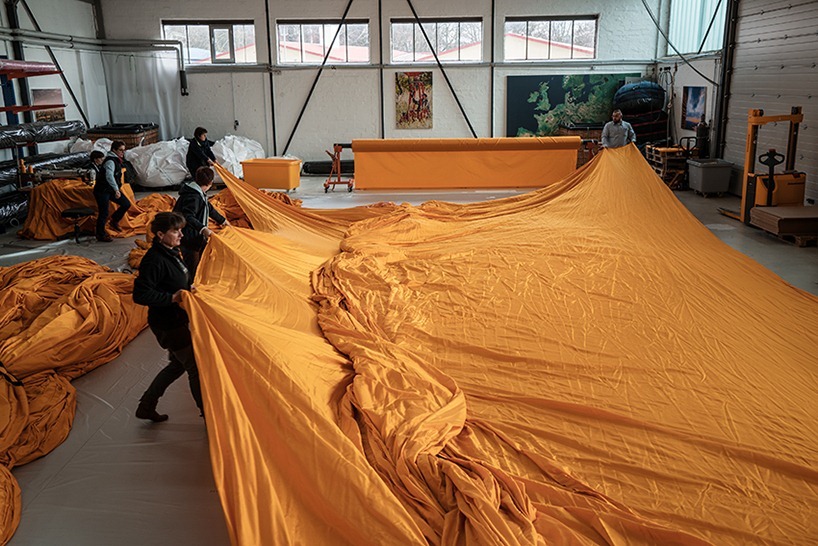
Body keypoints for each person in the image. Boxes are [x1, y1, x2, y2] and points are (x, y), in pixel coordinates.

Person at [133, 211, 202, 422]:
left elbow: (176, 280)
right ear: (161, 234)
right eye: (175, 231)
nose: (181, 235)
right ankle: (208, 414)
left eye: (180, 230)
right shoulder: (154, 260)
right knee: (194, 367)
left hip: (176, 319)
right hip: (168, 324)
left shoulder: (172, 252)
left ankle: (146, 406)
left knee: (177, 365)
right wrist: (172, 298)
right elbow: (140, 294)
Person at [173, 166, 229, 278]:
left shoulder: (197, 192)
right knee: (192, 265)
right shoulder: (193, 196)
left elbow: (208, 207)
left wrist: (222, 221)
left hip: (195, 235)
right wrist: (203, 229)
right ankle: (191, 286)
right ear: (211, 182)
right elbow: (188, 216)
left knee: (204, 256)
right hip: (188, 237)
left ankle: (199, 278)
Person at [93, 140, 132, 242]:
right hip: (102, 190)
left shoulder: (117, 160)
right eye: (120, 150)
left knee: (126, 204)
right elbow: (109, 176)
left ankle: (114, 220)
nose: (122, 153)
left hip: (110, 189)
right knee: (104, 212)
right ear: (114, 150)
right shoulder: (110, 161)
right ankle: (100, 234)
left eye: (124, 150)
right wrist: (116, 189)